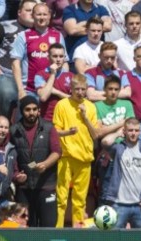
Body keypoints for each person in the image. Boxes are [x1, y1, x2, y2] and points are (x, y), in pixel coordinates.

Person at [53, 74, 100, 228]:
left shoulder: (91, 107)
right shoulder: (62, 105)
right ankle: (58, 229)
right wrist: (68, 133)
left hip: (85, 157)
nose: (80, 92)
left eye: (83, 89)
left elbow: (95, 134)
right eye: (77, 89)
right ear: (71, 89)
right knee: (61, 197)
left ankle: (77, 231)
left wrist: (85, 117)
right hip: (66, 156)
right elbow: (54, 132)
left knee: (80, 199)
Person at [0, 0, 35, 120]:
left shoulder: (41, 31)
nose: (31, 14)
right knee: (8, 93)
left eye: (34, 11)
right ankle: (5, 126)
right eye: (28, 10)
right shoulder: (5, 26)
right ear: (19, 12)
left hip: (32, 78)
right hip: (6, 75)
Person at [10, 96, 61, 227]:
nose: (31, 112)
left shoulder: (49, 128)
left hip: (46, 186)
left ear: (39, 110)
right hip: (24, 188)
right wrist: (16, 176)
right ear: (22, 111)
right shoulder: (14, 130)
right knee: (25, 230)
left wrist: (45, 164)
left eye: (34, 109)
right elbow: (11, 157)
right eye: (27, 109)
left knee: (49, 228)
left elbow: (57, 152)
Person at [101, 117, 141, 229]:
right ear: (125, 131)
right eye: (130, 130)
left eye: (136, 130)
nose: (133, 133)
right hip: (118, 203)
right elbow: (105, 142)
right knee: (115, 239)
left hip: (140, 205)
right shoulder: (118, 149)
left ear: (140, 132)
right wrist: (117, 133)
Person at [11, 3, 67, 100]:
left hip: (52, 88)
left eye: (45, 14)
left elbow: (64, 62)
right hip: (29, 90)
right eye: (39, 14)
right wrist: (20, 90)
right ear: (33, 16)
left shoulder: (58, 36)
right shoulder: (23, 36)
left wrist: (63, 85)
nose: (42, 17)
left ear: (49, 16)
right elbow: (15, 64)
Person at [35, 43, 74, 121]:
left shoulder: (71, 76)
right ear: (48, 57)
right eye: (55, 56)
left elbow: (75, 99)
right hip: (47, 119)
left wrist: (56, 92)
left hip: (66, 118)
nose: (58, 59)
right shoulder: (40, 75)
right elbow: (43, 97)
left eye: (61, 56)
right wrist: (53, 74)